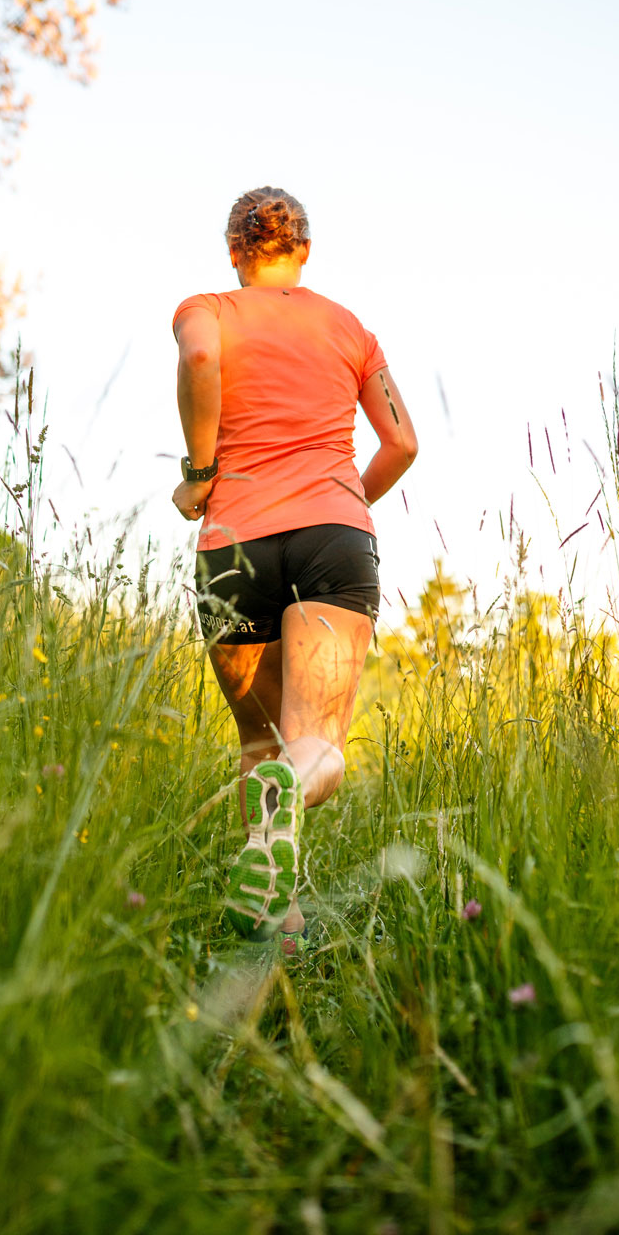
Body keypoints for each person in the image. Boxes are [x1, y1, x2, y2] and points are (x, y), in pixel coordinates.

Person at [171, 186, 417, 949]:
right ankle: (271, 850)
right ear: (302, 249)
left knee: (259, 744)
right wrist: (344, 497)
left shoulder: (204, 307)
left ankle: (276, 928)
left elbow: (201, 356)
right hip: (330, 539)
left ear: (234, 250)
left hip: (231, 547)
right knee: (314, 744)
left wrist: (200, 471)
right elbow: (402, 443)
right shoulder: (348, 328)